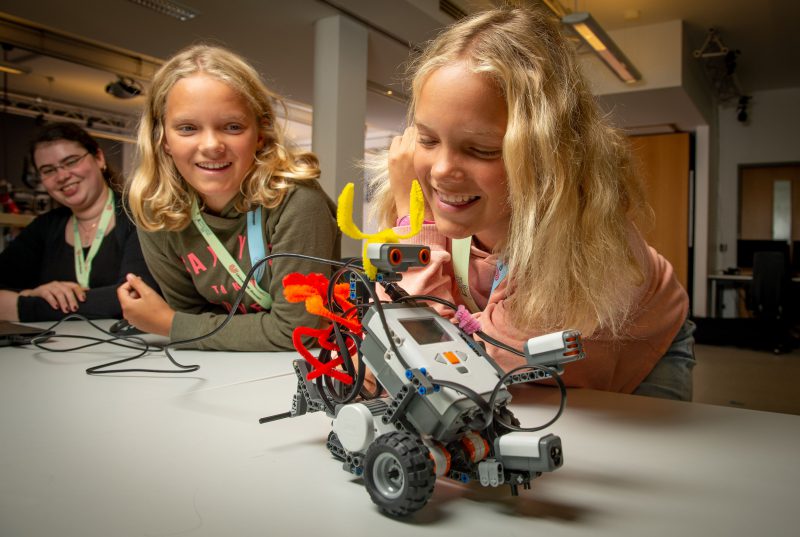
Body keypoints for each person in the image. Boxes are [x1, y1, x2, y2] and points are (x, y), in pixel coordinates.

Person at [369, 6, 695, 400]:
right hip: (513, 348)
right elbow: (398, 333)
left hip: (635, 345)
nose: (440, 171)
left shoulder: (577, 234)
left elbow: (464, 369)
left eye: (482, 149)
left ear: (546, 156)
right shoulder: (416, 193)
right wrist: (413, 218)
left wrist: (416, 229)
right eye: (427, 139)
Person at [121, 44, 340, 351]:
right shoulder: (159, 212)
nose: (211, 145)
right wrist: (185, 324)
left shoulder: (297, 202)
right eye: (187, 128)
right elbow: (193, 316)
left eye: (232, 127)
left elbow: (299, 330)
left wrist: (169, 325)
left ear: (260, 134)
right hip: (218, 369)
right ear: (163, 139)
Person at [0, 122, 156, 322]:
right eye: (48, 170)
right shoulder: (44, 227)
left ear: (99, 158)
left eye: (71, 161)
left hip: (132, 347)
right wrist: (31, 293)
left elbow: (134, 296)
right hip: (54, 347)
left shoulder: (139, 213)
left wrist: (22, 308)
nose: (62, 176)